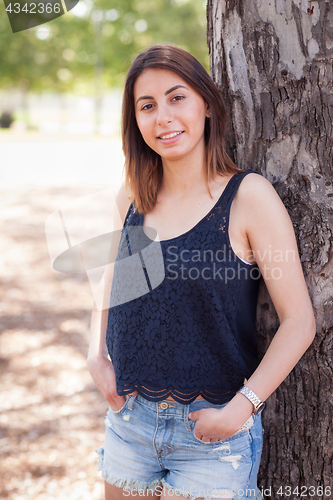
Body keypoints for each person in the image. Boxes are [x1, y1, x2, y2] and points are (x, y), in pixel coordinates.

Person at [87, 44, 316, 500]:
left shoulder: (248, 197)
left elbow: (299, 321)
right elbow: (112, 285)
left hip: (212, 434)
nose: (163, 117)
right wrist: (95, 354)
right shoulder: (132, 195)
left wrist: (242, 409)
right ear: (135, 121)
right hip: (130, 422)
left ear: (206, 104)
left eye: (177, 98)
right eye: (147, 106)